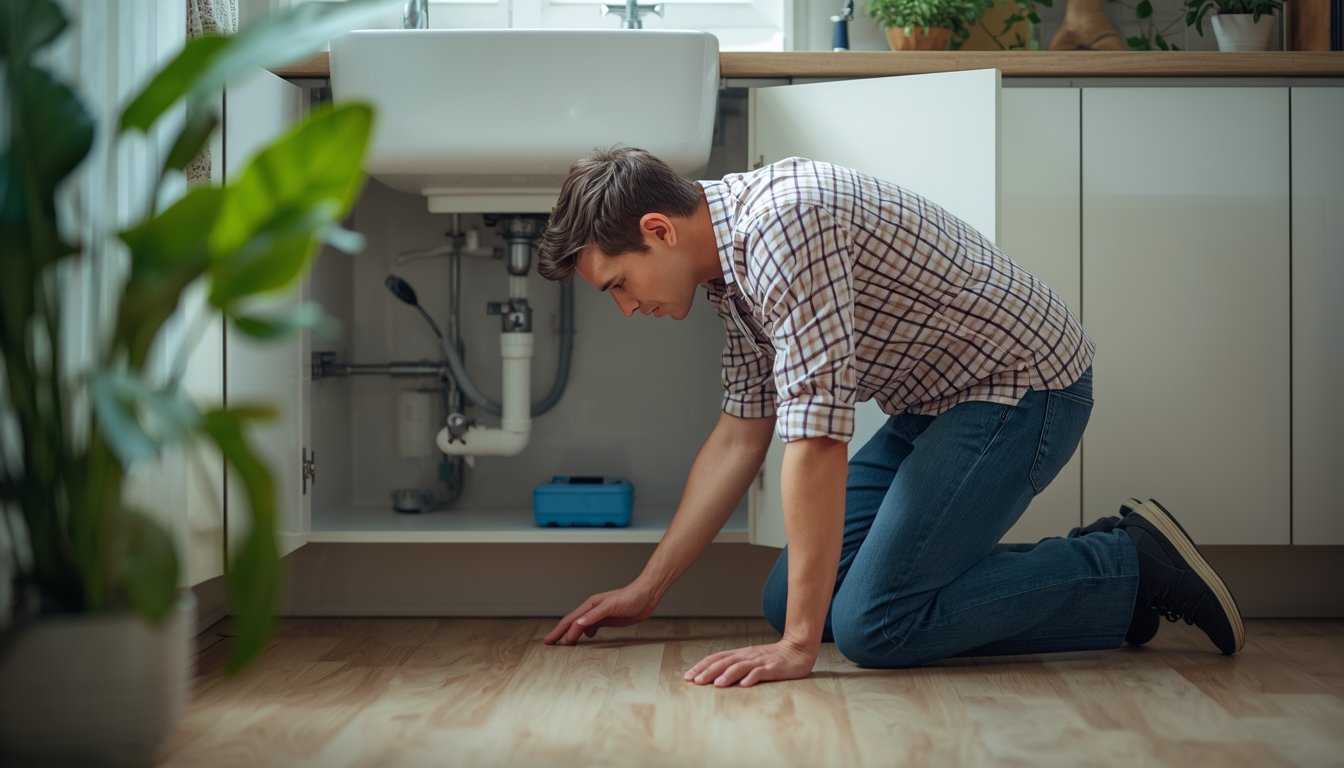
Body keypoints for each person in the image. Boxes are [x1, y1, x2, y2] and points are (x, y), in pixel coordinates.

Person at [536, 147, 1243, 688]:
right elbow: (738, 435)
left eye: (619, 285)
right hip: (934, 405)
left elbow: (815, 439)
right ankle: (1085, 581)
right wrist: (647, 588)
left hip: (1022, 388)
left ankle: (1126, 565)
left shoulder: (782, 226)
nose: (627, 308)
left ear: (657, 230)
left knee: (874, 627)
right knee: (792, 601)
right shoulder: (727, 274)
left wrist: (799, 651)